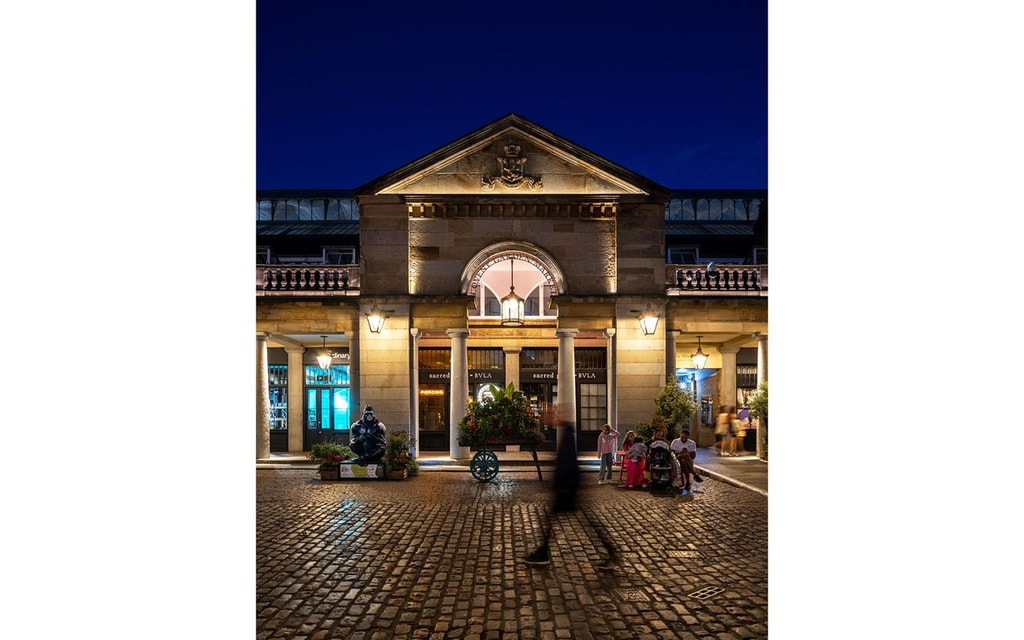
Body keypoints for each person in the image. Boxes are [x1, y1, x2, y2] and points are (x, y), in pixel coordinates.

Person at [523, 420, 617, 569]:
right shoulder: (569, 434)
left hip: (566, 488)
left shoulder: (568, 436)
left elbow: (567, 463)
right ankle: (610, 551)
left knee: (583, 523)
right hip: (568, 486)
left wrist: (560, 485)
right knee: (582, 522)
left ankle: (543, 553)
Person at [670, 428, 701, 494]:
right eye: (682, 437)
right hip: (677, 459)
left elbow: (693, 455)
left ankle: (687, 483)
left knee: (685, 459)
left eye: (685, 437)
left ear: (688, 437)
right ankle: (694, 473)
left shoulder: (692, 443)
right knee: (684, 456)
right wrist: (680, 453)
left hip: (686, 461)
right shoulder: (675, 442)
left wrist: (687, 452)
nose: (683, 439)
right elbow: (671, 453)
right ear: (680, 435)